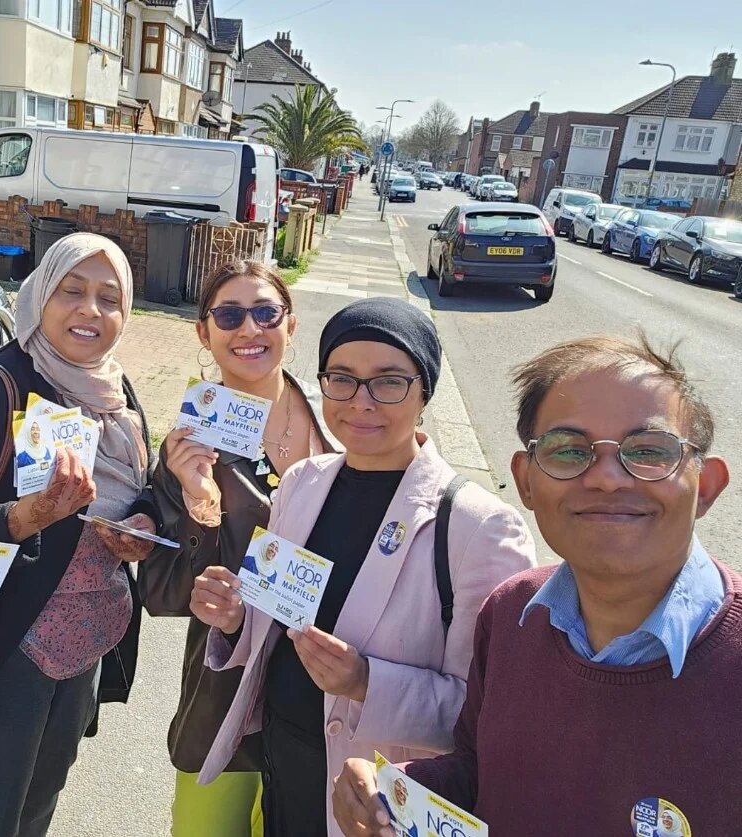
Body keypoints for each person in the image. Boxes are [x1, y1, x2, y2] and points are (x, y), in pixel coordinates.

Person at [332, 336, 739, 837]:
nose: (608, 478)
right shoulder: (511, 614)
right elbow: (479, 771)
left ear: (707, 486)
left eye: (649, 451)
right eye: (569, 451)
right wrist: (393, 792)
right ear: (525, 482)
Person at [190, 298, 535, 837]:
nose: (361, 402)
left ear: (424, 392)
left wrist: (366, 681)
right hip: (283, 757)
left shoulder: (478, 528)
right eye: (342, 379)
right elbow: (276, 623)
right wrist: (234, 614)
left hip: (371, 796)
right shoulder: (303, 483)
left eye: (389, 382)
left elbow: (485, 712)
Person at [0, 232, 158, 837]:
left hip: (88, 642)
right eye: (72, 291)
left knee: (42, 796)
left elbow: (139, 491)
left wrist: (144, 523)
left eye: (109, 298)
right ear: (40, 294)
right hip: (9, 647)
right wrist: (24, 518)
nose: (90, 310)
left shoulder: (115, 393)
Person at [139, 260, 338, 837]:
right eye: (229, 315)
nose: (249, 329)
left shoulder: (341, 421)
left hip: (324, 686)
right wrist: (201, 503)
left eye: (265, 313)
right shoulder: (189, 446)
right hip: (227, 691)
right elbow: (162, 590)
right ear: (205, 333)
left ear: (290, 325)